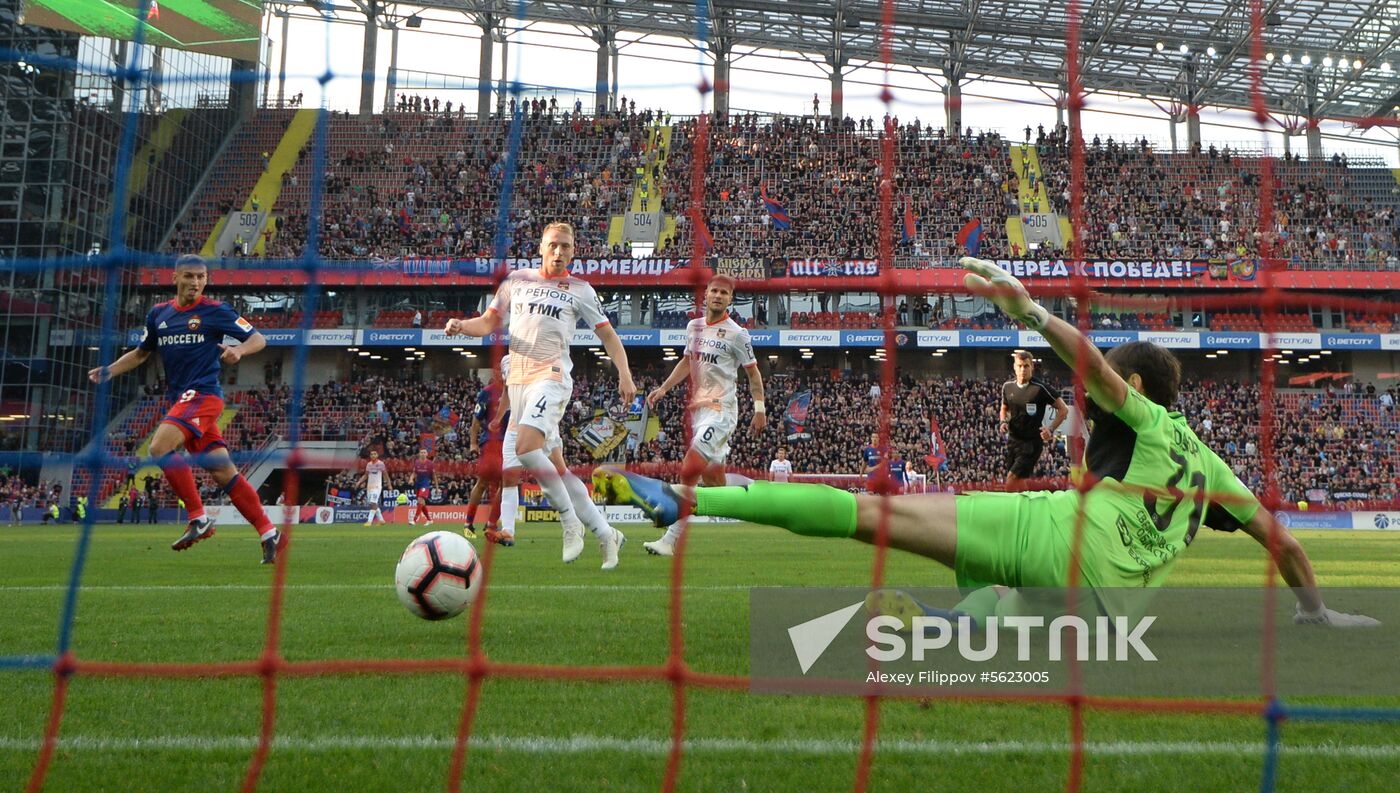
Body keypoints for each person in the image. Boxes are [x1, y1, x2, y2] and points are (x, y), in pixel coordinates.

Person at [594, 256, 1379, 630]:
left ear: (1137, 392)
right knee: (1005, 602)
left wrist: (1031, 312)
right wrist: (1315, 613)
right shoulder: (1212, 467)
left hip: (1055, 537)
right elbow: (1283, 544)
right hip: (1105, 609)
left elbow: (1096, 367)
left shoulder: (1139, 411)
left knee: (872, 513)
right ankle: (954, 624)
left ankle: (690, 496)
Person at [445, 222, 634, 569]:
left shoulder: (580, 290)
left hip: (551, 378)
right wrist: (461, 325)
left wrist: (624, 372)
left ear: (574, 250)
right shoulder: (516, 281)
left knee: (525, 447)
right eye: (553, 245)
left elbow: (608, 336)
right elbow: (487, 323)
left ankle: (569, 522)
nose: (559, 252)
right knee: (559, 471)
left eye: (565, 246)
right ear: (541, 247)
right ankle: (607, 535)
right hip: (518, 385)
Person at [89, 255, 284, 565]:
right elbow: (142, 353)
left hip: (203, 395)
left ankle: (198, 518)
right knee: (222, 472)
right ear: (175, 278)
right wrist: (110, 370)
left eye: (201, 277)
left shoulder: (216, 311)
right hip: (181, 399)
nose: (196, 282)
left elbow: (258, 338)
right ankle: (268, 531)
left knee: (158, 447)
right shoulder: (158, 315)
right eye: (190, 276)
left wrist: (239, 349)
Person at [642, 274, 766, 556]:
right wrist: (663, 388)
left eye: (725, 293)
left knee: (688, 469)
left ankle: (669, 540)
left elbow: (753, 373)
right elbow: (688, 361)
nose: (719, 296)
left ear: (730, 300)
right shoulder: (693, 327)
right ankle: (753, 499)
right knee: (714, 485)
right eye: (715, 291)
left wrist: (759, 409)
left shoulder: (737, 334)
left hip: (721, 411)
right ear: (706, 295)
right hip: (698, 411)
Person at [1001, 350, 1068, 490]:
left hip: (1031, 443)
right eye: (1019, 366)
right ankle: (1031, 508)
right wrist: (1003, 422)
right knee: (1020, 482)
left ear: (1031, 366)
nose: (1022, 369)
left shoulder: (1040, 388)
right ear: (1014, 366)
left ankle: (1009, 511)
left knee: (1011, 480)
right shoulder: (1007, 387)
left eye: (1026, 366)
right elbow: (1004, 407)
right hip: (1013, 441)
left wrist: (1050, 429)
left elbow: (1063, 410)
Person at [358, 450, 389, 525]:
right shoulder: (369, 464)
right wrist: (359, 482)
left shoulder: (380, 464)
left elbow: (385, 474)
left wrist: (389, 484)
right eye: (371, 454)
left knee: (373, 502)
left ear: (377, 455)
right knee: (372, 504)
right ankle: (381, 520)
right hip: (369, 486)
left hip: (377, 486)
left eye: (375, 454)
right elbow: (366, 475)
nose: (373, 455)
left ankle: (369, 521)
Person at [410, 448, 435, 526]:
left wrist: (436, 486)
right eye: (421, 452)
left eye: (424, 452)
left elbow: (434, 475)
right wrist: (411, 479)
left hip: (425, 484)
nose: (423, 454)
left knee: (420, 500)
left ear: (427, 454)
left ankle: (414, 519)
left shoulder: (430, 463)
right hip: (418, 484)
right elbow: (414, 473)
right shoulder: (416, 462)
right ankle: (429, 519)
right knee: (422, 503)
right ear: (419, 454)